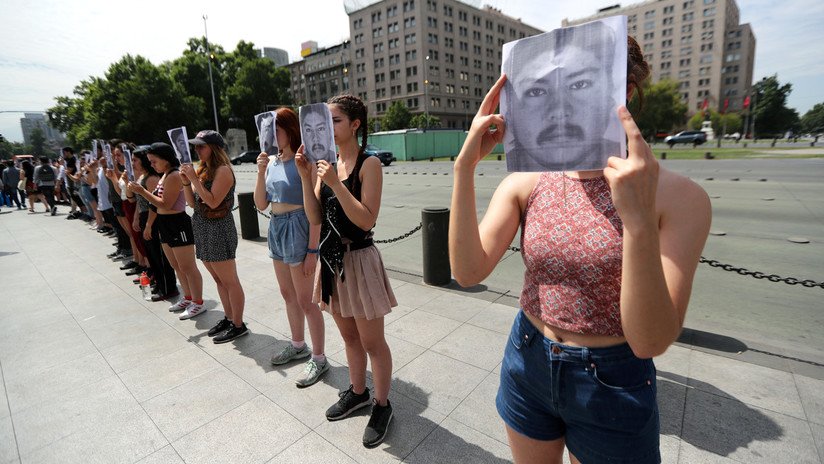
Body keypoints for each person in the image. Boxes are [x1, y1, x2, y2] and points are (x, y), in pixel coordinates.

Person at [449, 38, 712, 464]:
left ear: (624, 91)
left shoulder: (679, 197)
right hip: (528, 357)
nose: (559, 105)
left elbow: (650, 340)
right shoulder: (528, 180)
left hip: (615, 379)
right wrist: (465, 168)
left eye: (582, 84)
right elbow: (467, 271)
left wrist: (639, 222)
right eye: (541, 90)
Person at [296, 95, 396, 448]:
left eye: (334, 120)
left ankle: (382, 404)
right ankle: (358, 392)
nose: (327, 128)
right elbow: (314, 217)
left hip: (359, 259)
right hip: (331, 262)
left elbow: (367, 218)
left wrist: (337, 184)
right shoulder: (326, 163)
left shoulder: (369, 165)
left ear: (355, 124)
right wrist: (306, 175)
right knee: (350, 338)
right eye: (325, 122)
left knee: (372, 341)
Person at [253, 108, 327, 386]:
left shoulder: (303, 160)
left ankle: (319, 358)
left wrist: (312, 250)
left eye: (276, 129)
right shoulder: (271, 161)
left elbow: (315, 210)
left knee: (306, 300)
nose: (271, 135)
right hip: (277, 225)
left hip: (299, 226)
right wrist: (260, 171)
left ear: (289, 129)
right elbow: (261, 203)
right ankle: (298, 345)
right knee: (288, 294)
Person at [502, 19, 622, 172]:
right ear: (509, 112)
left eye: (580, 84)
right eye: (536, 91)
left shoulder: (653, 182)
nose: (559, 112)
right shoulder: (513, 189)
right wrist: (466, 164)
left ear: (610, 96)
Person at [180, 130, 248, 342]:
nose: (197, 150)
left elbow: (212, 201)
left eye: (201, 146)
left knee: (230, 280)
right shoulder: (203, 170)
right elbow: (192, 203)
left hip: (219, 228)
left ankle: (238, 324)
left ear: (214, 148)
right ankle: (229, 318)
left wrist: (193, 179)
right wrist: (185, 182)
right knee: (218, 279)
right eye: (196, 146)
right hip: (202, 226)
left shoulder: (223, 170)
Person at [128, 142, 204, 318]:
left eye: (154, 161)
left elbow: (166, 204)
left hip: (177, 222)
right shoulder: (164, 175)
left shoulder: (174, 175)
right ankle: (188, 296)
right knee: (176, 265)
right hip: (164, 223)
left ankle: (198, 302)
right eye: (150, 162)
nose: (152, 165)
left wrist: (142, 191)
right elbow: (157, 205)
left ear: (166, 159)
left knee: (187, 266)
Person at [131, 148, 177, 302]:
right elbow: (136, 200)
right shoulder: (147, 176)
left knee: (160, 256)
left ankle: (168, 288)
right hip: (146, 216)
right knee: (152, 254)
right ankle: (159, 284)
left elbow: (155, 204)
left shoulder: (152, 178)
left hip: (154, 217)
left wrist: (149, 224)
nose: (132, 163)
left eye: (135, 160)